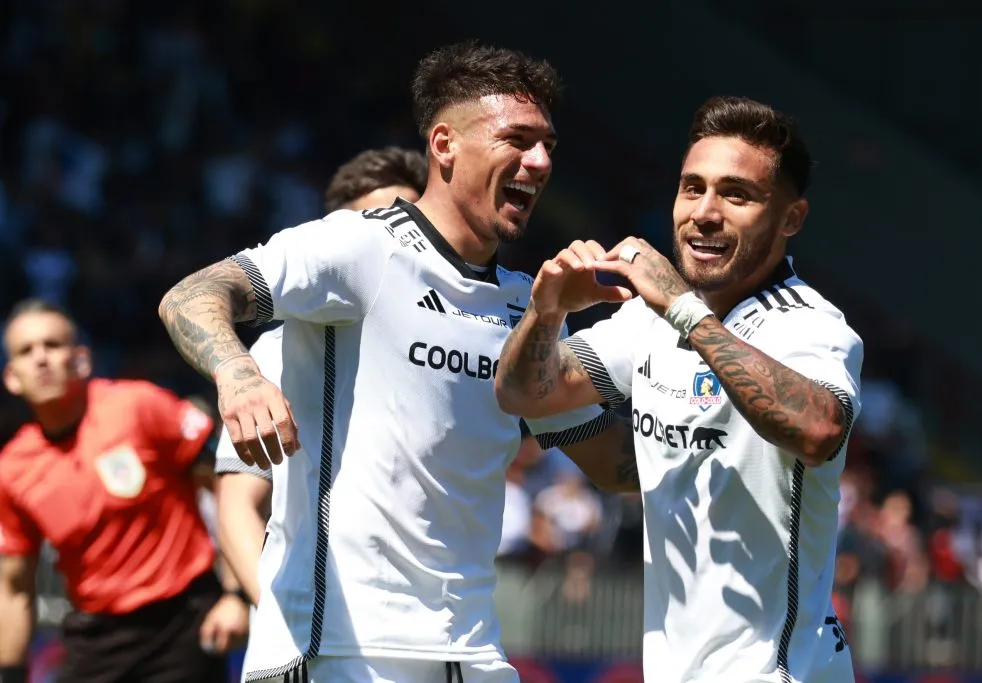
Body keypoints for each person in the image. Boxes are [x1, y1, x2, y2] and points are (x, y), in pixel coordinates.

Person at [158, 42, 636, 683]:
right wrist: (239, 376)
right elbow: (191, 295)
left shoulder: (530, 305)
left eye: (548, 143)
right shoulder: (362, 246)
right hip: (337, 647)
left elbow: (613, 467)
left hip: (470, 651)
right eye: (518, 139)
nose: (541, 161)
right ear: (445, 145)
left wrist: (675, 356)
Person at [494, 96, 864, 683]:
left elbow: (819, 431)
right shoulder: (646, 323)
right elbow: (526, 396)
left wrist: (684, 309)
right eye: (693, 188)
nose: (705, 212)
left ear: (790, 218)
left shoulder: (810, 325)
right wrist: (546, 313)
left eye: (736, 194)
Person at [215, 146, 429, 608]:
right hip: (329, 635)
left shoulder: (459, 333)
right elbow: (237, 505)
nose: (389, 241)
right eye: (371, 224)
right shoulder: (276, 351)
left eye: (404, 222)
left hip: (450, 626)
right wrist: (275, 613)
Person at [0, 300, 249, 683]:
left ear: (81, 359)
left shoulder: (139, 406)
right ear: (12, 377)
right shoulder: (12, 469)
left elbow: (226, 486)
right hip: (97, 638)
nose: (41, 359)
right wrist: (11, 673)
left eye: (52, 345)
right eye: (26, 351)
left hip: (184, 623)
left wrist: (236, 595)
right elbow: (14, 588)